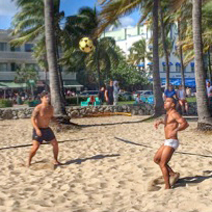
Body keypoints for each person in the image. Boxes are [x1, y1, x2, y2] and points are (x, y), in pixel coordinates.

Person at [153, 98, 189, 189]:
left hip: (172, 141)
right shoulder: (168, 113)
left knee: (163, 164)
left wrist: (176, 130)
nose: (165, 103)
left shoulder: (174, 113)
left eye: (167, 102)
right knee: (156, 159)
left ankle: (167, 186)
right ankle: (172, 174)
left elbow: (185, 124)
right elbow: (169, 123)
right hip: (167, 141)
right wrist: (161, 122)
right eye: (164, 101)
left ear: (173, 104)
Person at [28, 91, 61, 167]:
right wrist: (37, 129)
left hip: (47, 129)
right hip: (38, 129)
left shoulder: (50, 108)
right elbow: (32, 119)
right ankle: (29, 160)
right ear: (41, 99)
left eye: (48, 97)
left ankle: (55, 160)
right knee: (35, 147)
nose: (47, 98)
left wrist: (57, 124)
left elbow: (51, 117)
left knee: (55, 144)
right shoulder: (38, 108)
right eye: (45, 97)